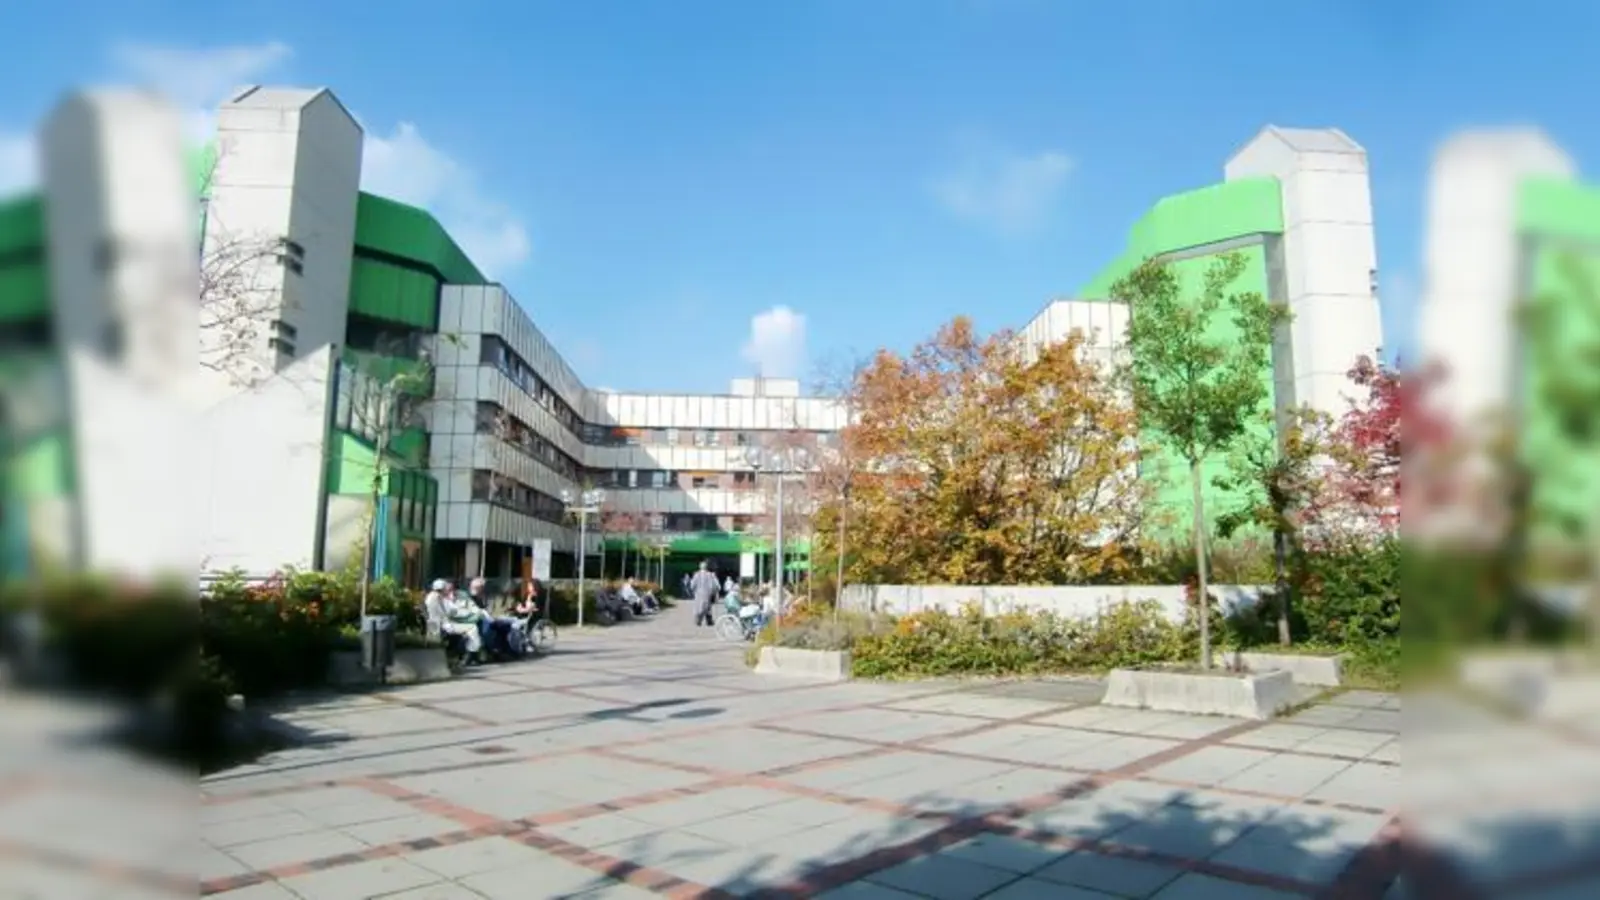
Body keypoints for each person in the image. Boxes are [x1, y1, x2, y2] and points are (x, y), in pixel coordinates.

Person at [428, 579, 486, 663]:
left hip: (448, 623)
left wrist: (476, 614)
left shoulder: (437, 597)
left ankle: (472, 654)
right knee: (472, 628)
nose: (448, 591)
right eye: (446, 589)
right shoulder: (438, 598)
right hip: (443, 625)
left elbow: (461, 609)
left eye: (451, 589)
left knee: (474, 627)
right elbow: (453, 613)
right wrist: (470, 615)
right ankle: (472, 654)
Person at [690, 561, 720, 627]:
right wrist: (712, 592)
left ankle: (698, 621)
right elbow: (712, 585)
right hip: (707, 593)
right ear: (706, 567)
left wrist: (693, 591)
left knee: (699, 607)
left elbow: (692, 585)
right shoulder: (710, 575)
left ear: (700, 567)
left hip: (698, 594)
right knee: (707, 607)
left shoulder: (696, 574)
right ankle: (709, 621)